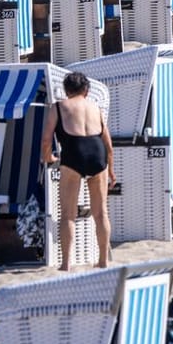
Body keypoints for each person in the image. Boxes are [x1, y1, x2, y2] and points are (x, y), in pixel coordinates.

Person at [39, 71, 113, 270]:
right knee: (101, 213)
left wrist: (48, 157)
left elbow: (46, 139)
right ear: (86, 90)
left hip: (73, 155)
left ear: (66, 90)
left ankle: (65, 263)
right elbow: (107, 142)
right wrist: (111, 170)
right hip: (98, 155)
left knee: (68, 214)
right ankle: (103, 260)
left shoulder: (59, 107)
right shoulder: (95, 107)